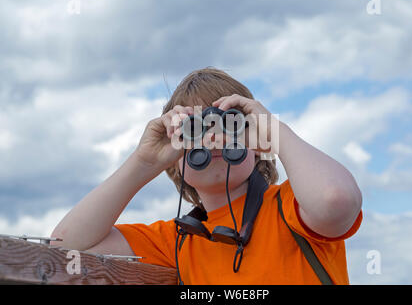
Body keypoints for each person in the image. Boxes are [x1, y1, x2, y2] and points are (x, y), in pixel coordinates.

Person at [51, 67, 363, 284]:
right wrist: (144, 162)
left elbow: (335, 199)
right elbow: (65, 247)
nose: (212, 138)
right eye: (194, 129)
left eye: (230, 125)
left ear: (256, 145)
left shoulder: (291, 208)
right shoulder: (178, 238)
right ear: (175, 160)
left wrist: (277, 134)